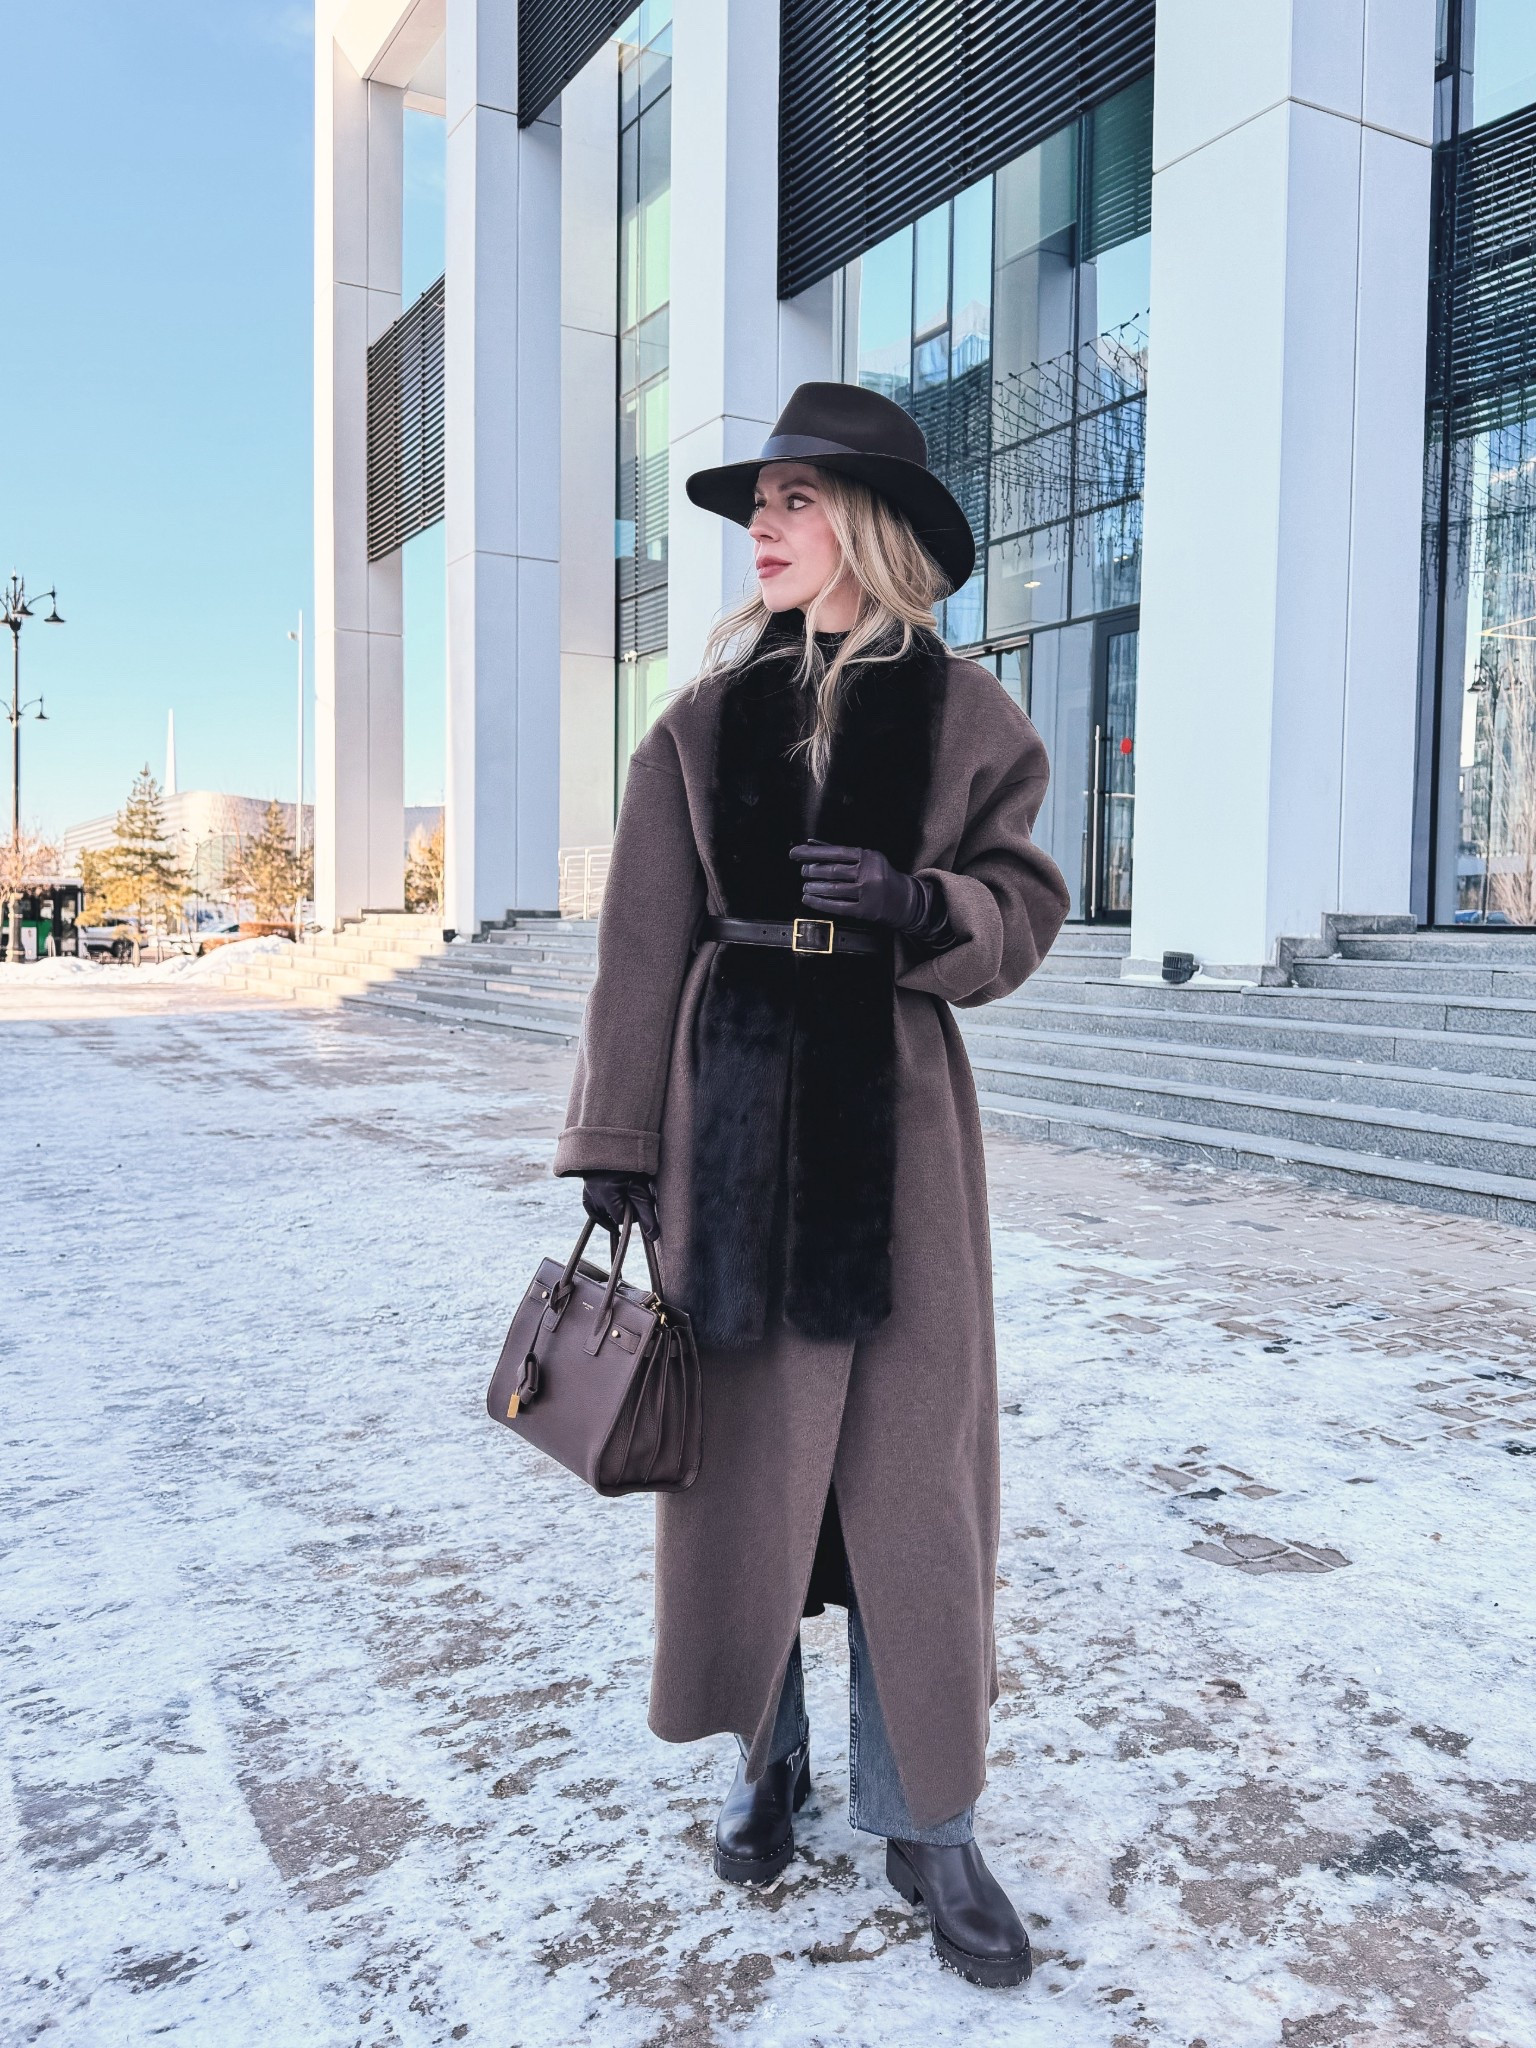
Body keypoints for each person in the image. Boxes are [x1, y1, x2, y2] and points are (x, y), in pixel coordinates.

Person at [555, 382, 1070, 1989]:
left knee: (914, 1486)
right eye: (759, 505)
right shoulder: (700, 727)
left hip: (897, 1139)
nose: (763, 530)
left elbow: (1025, 905)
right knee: (747, 1469)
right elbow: (641, 948)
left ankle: (930, 1819)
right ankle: (765, 1756)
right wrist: (617, 1143)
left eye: (793, 501)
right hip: (726, 1121)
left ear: (871, 525)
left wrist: (924, 904)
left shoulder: (972, 717)